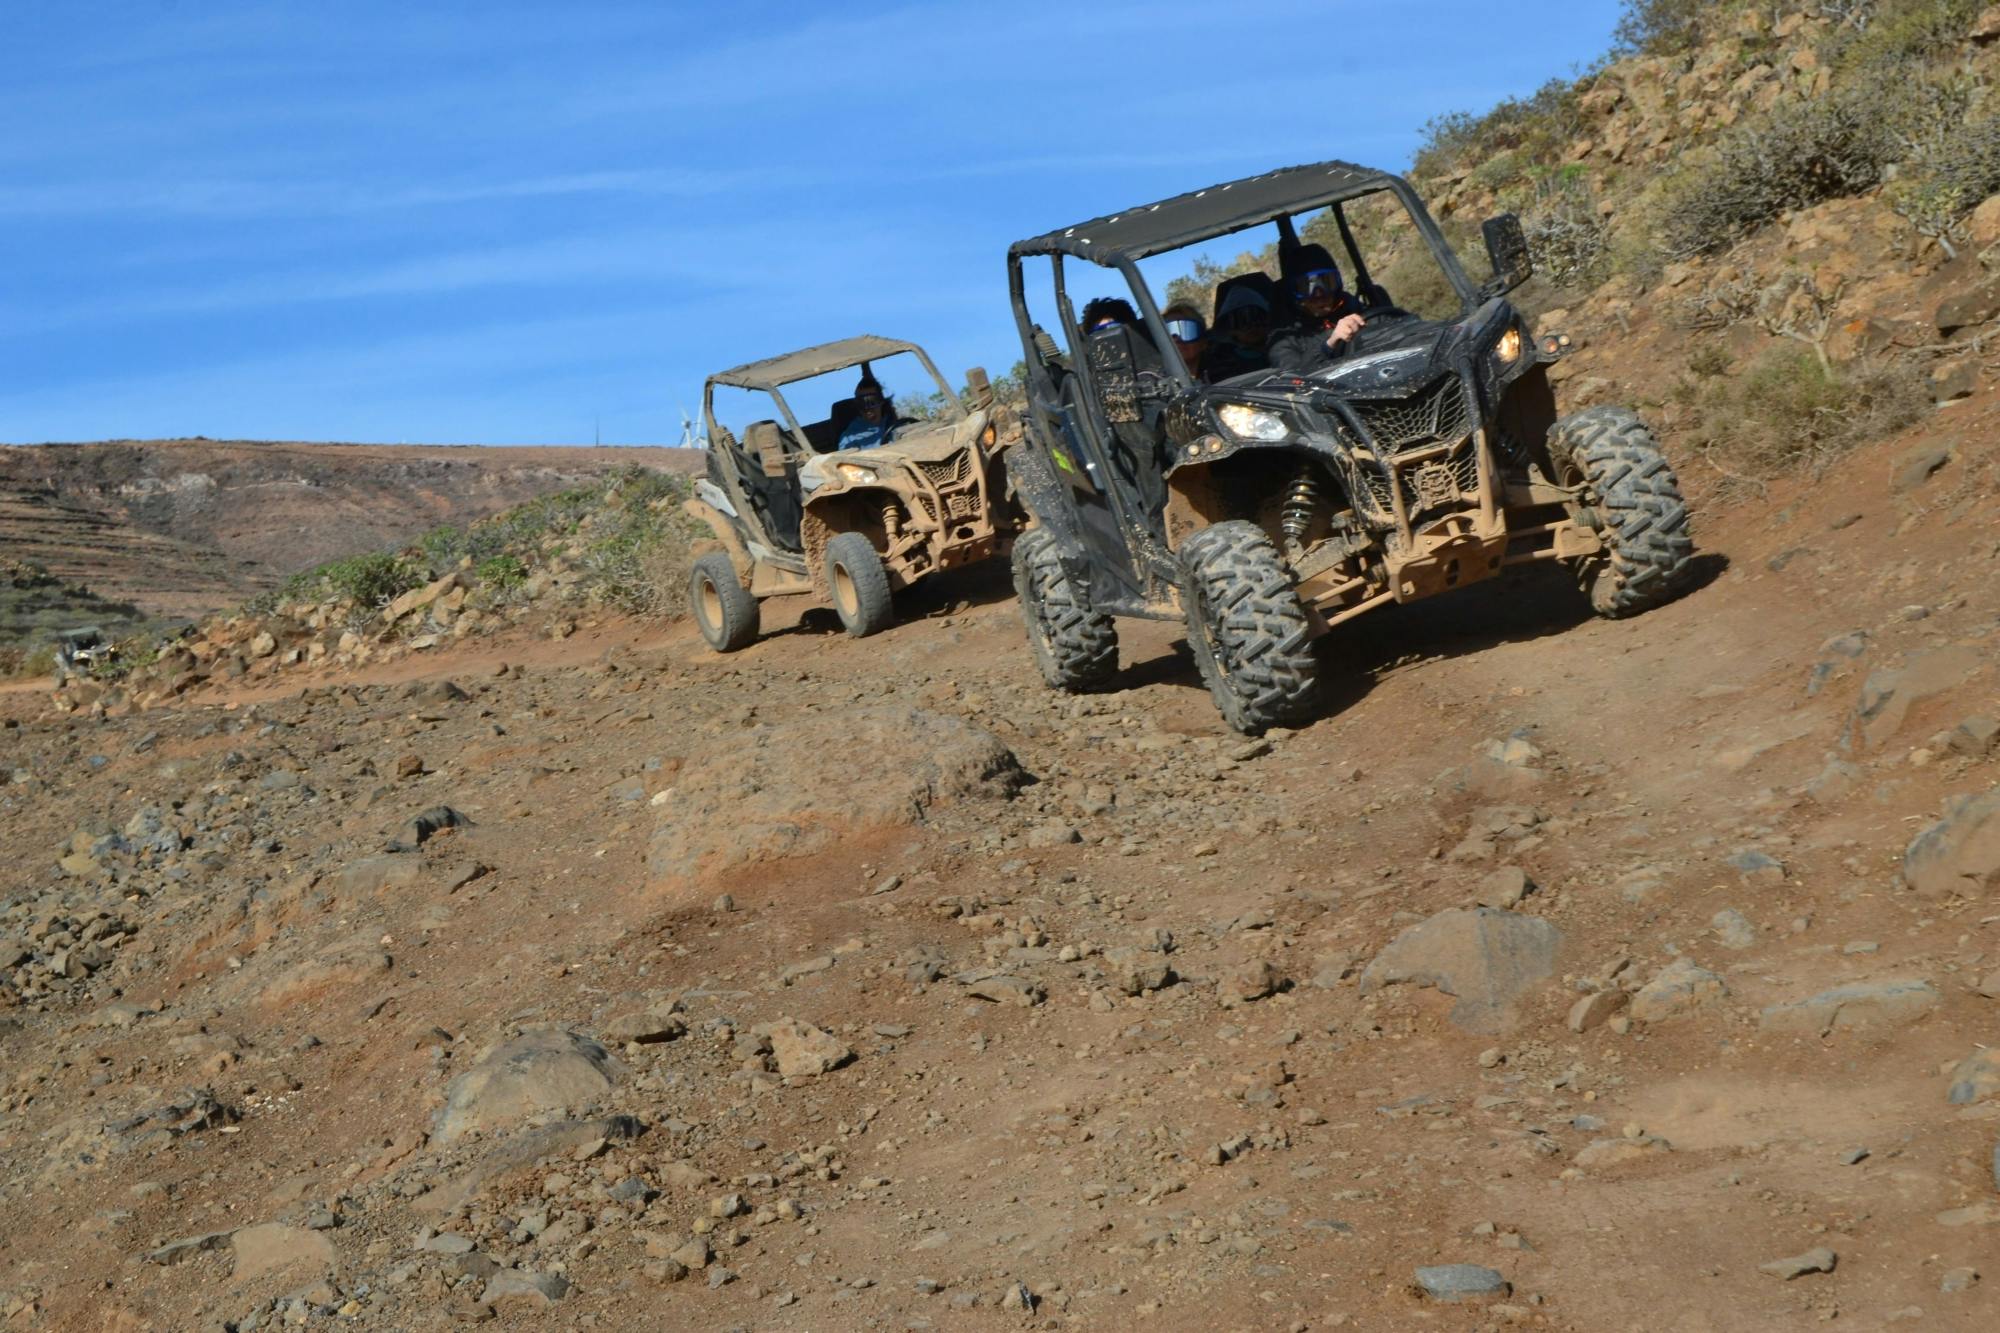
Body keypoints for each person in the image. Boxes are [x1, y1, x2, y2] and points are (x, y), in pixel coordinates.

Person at [1267, 244, 1368, 376]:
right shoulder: (1282, 339)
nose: (1319, 295)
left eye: (1327, 283)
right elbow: (1294, 379)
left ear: (1337, 285)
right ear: (1293, 294)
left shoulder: (1354, 308)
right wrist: (1328, 346)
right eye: (1306, 288)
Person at [1203, 283, 1273, 381]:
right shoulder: (1221, 362)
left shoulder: (1286, 348)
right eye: (1240, 321)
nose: (1251, 327)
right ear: (1228, 328)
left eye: (1258, 318)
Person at [836, 375, 899, 450]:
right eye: (862, 403)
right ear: (857, 406)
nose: (868, 409)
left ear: (881, 401)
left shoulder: (896, 425)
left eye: (872, 401)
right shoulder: (849, 437)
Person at [1160, 301, 1207, 379]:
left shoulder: (1226, 376)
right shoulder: (1156, 388)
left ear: (1203, 342)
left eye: (1187, 330)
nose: (1177, 339)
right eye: (1169, 331)